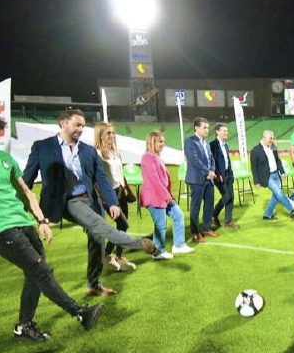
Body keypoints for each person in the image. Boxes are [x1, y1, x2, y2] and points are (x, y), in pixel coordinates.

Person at [0, 108, 104, 341]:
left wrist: (41, 220)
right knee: (41, 270)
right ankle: (80, 313)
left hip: (23, 224)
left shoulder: (2, 158)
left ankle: (24, 326)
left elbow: (26, 192)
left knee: (33, 274)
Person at [23, 109, 157, 297]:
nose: (80, 129)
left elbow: (100, 178)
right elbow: (26, 180)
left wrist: (112, 202)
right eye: (77, 124)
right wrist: (22, 208)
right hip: (68, 201)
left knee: (97, 239)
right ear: (63, 123)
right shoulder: (42, 147)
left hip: (90, 199)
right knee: (101, 226)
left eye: (83, 126)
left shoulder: (87, 150)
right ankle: (139, 244)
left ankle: (93, 285)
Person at [141, 131, 193, 259]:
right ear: (152, 142)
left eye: (163, 141)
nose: (163, 144)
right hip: (154, 197)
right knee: (160, 225)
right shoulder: (147, 157)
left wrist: (168, 194)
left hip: (163, 196)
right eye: (160, 142)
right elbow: (154, 180)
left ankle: (179, 245)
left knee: (178, 215)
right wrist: (166, 195)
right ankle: (158, 252)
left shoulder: (157, 157)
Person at [94, 122, 137, 271]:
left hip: (121, 192)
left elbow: (121, 173)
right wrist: (102, 197)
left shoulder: (116, 151)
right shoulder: (97, 154)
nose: (112, 135)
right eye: (108, 133)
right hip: (109, 195)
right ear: (100, 135)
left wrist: (128, 190)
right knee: (123, 224)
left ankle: (118, 256)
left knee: (122, 227)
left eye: (113, 133)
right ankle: (106, 254)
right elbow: (97, 177)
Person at [250, 130, 294, 220]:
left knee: (276, 195)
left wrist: (282, 172)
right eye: (270, 138)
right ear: (264, 137)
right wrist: (256, 181)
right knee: (279, 192)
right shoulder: (255, 150)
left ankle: (267, 215)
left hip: (276, 174)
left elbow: (278, 161)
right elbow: (254, 167)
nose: (272, 140)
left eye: (272, 138)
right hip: (267, 177)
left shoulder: (273, 147)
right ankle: (292, 210)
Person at [184, 117, 218, 242]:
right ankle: (195, 232)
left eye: (208, 128)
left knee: (209, 204)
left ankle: (206, 228)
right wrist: (207, 172)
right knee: (196, 207)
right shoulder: (190, 141)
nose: (207, 130)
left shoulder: (206, 143)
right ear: (196, 128)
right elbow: (194, 160)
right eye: (204, 127)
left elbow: (211, 159)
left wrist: (212, 171)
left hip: (209, 179)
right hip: (197, 179)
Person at [209, 123, 239, 229]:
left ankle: (228, 222)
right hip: (219, 176)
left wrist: (231, 174)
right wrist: (217, 174)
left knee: (231, 197)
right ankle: (213, 214)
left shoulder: (225, 145)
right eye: (224, 130)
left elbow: (227, 161)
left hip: (228, 174)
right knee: (227, 196)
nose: (226, 132)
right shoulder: (212, 145)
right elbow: (212, 162)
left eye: (226, 130)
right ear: (217, 132)